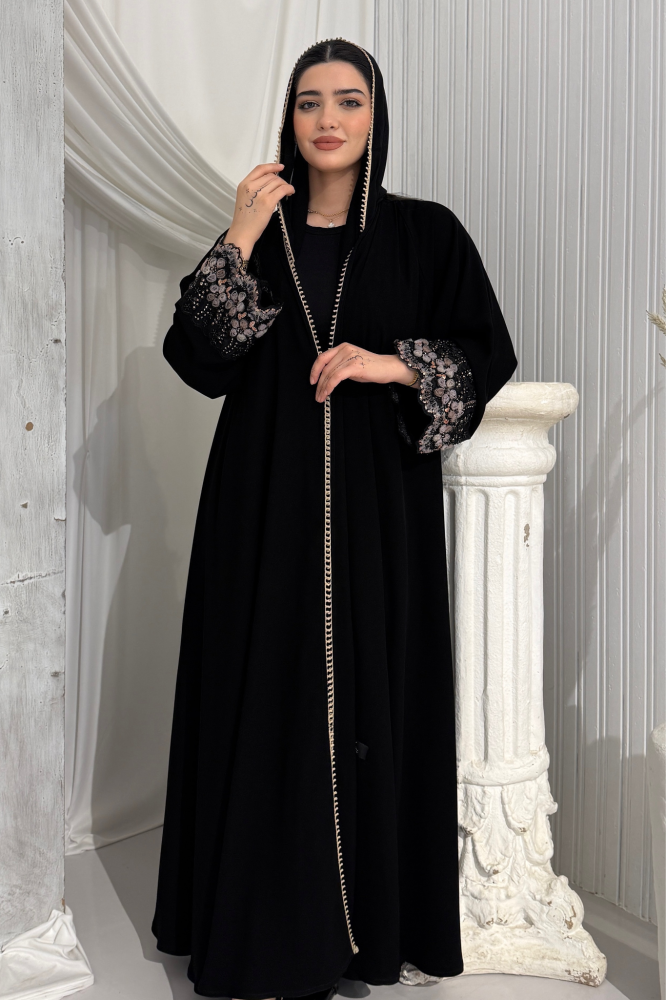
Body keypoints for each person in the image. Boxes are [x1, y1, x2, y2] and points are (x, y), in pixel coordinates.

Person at [151, 39, 517, 1000]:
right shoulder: (262, 235)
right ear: (290, 117)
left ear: (374, 116)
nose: (328, 119)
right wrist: (236, 233)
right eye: (310, 101)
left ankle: (363, 935)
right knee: (265, 699)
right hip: (259, 508)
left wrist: (386, 363)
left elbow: (487, 352)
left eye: (348, 101)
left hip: (376, 515)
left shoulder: (425, 233)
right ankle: (267, 933)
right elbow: (197, 361)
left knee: (366, 700)